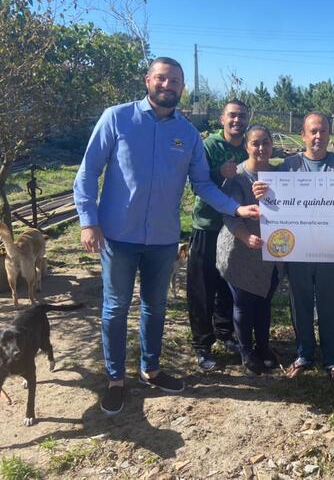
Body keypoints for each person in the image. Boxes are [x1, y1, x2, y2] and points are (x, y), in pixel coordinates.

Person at [73, 57, 259, 416]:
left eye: (174, 81)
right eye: (161, 78)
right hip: (118, 236)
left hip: (162, 239)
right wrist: (88, 221)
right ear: (148, 80)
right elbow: (88, 171)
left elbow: (202, 183)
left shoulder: (187, 134)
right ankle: (115, 379)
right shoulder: (117, 118)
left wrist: (236, 209)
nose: (167, 85)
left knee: (155, 306)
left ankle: (151, 369)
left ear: (182, 88)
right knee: (116, 307)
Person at [279, 112, 334, 381]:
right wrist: (263, 192)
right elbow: (276, 199)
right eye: (313, 131)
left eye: (323, 131)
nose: (318, 136)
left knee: (331, 303)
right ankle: (304, 354)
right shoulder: (288, 166)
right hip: (298, 248)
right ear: (303, 135)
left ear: (329, 135)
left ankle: (333, 358)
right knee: (300, 302)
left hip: (330, 248)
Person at [187, 100, 250, 371]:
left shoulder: (249, 147)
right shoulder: (209, 146)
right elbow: (196, 183)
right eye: (232, 116)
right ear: (222, 119)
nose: (237, 120)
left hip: (236, 228)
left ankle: (225, 333)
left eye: (242, 116)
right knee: (202, 288)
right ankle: (202, 344)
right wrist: (218, 173)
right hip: (208, 226)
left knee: (228, 284)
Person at [216, 124, 281, 375]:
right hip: (240, 249)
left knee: (264, 301)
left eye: (266, 143)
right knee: (243, 303)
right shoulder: (237, 177)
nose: (261, 148)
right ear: (246, 146)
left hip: (271, 251)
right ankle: (246, 352)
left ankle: (263, 347)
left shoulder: (281, 175)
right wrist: (245, 236)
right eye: (255, 143)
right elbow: (228, 214)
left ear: (272, 145)